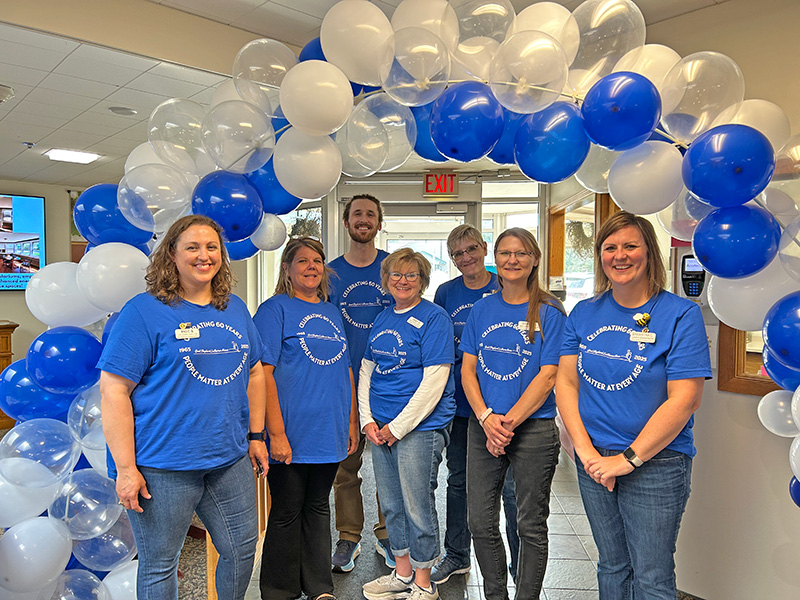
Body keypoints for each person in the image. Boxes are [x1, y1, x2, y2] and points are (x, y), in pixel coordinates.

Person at [99, 214, 267, 600]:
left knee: (241, 550)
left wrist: (256, 435)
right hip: (162, 465)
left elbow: (256, 373)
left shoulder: (235, 308)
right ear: (171, 254)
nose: (203, 255)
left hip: (228, 459)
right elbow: (113, 391)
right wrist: (126, 469)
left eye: (211, 247)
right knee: (160, 564)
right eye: (192, 247)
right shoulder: (144, 312)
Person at [555, 211, 711, 600]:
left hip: (656, 464)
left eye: (630, 246)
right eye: (610, 247)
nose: (620, 255)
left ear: (648, 253)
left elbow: (685, 399)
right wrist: (587, 453)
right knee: (611, 565)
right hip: (593, 459)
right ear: (600, 255)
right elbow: (566, 382)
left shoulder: (680, 314)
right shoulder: (584, 313)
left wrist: (626, 460)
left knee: (652, 576)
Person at [461, 227, 566, 600]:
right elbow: (468, 370)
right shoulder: (482, 309)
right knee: (479, 520)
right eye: (505, 253)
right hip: (485, 425)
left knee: (529, 525)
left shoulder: (550, 311)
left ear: (535, 258)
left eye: (521, 253)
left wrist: (508, 423)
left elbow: (549, 373)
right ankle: (495, 595)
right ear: (497, 260)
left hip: (533, 429)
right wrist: (488, 418)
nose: (512, 260)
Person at [253, 237, 359, 600]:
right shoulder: (274, 310)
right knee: (286, 511)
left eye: (317, 261)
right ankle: (279, 590)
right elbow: (262, 374)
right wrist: (275, 433)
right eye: (303, 261)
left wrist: (350, 422)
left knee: (318, 507)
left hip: (328, 429)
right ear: (287, 268)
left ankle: (319, 587)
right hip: (290, 431)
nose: (312, 267)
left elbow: (345, 369)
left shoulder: (330, 311)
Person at [359, 248, 455, 600]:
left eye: (411, 275)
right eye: (396, 275)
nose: (402, 281)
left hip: (421, 428)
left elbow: (435, 381)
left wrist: (396, 428)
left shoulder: (435, 318)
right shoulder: (383, 318)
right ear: (386, 280)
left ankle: (424, 581)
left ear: (423, 281)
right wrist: (368, 421)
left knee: (417, 503)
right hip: (381, 426)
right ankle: (401, 573)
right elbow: (367, 371)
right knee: (391, 503)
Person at [431, 224, 521, 585]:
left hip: (510, 410)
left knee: (513, 491)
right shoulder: (445, 293)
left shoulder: (508, 284)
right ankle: (456, 555)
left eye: (471, 249)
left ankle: (519, 564)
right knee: (459, 483)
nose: (465, 258)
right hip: (464, 408)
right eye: (457, 254)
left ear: (485, 248)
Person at [328, 194, 394, 572]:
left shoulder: (393, 267)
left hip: (388, 385)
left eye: (371, 213)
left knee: (387, 465)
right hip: (343, 384)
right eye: (357, 214)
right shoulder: (331, 273)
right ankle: (348, 538)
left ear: (379, 222)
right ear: (346, 222)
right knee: (345, 467)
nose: (363, 219)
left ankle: (387, 535)